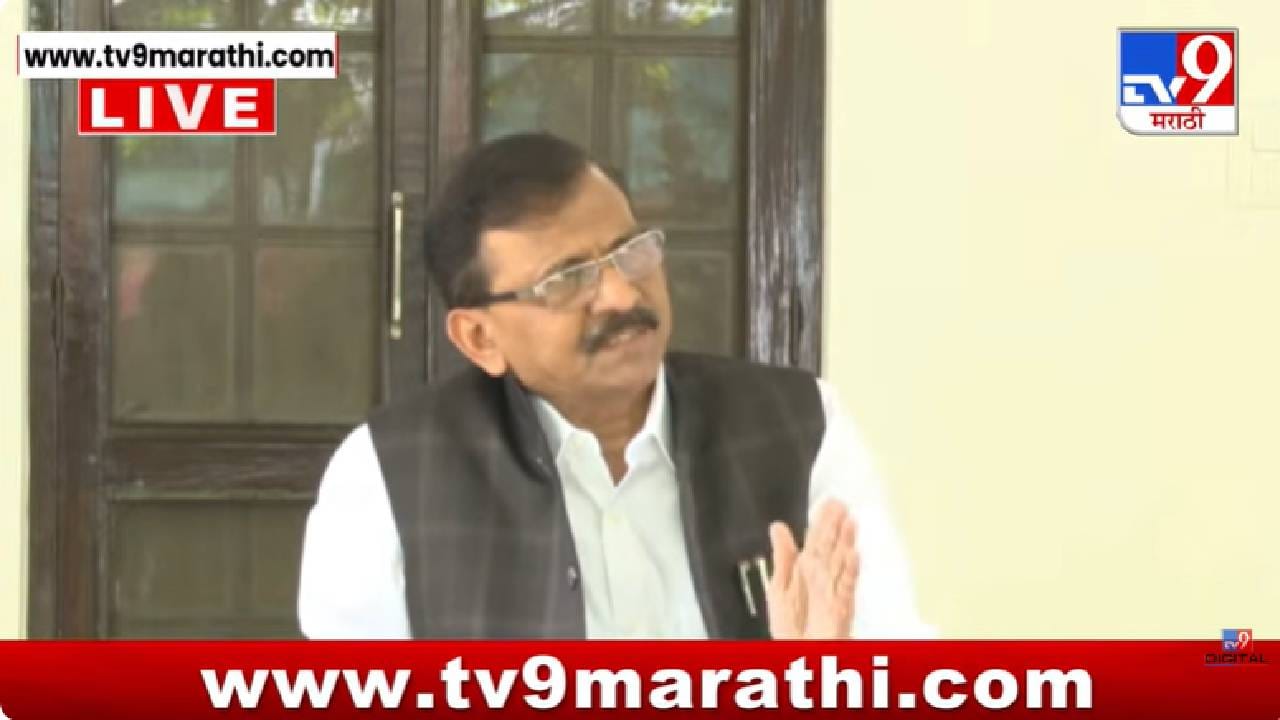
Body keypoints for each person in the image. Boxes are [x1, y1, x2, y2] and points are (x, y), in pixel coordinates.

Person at [298, 132, 931, 639]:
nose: (624, 296)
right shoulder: (389, 472)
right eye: (567, 279)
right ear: (480, 338)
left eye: (630, 253)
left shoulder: (799, 423)